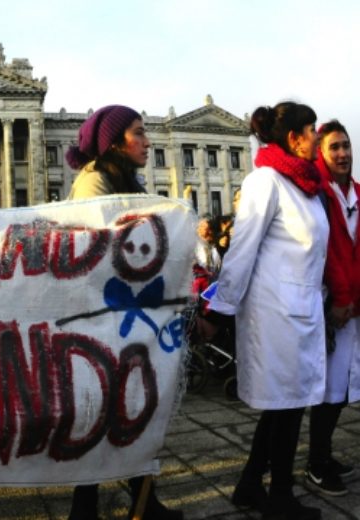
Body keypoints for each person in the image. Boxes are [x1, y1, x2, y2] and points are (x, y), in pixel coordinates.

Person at [199, 102, 326, 520]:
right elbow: (241, 251)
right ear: (294, 138)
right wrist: (217, 312)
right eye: (312, 129)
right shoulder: (265, 181)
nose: (316, 136)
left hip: (301, 309)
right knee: (287, 409)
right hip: (275, 314)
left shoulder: (305, 186)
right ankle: (281, 499)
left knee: (284, 406)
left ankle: (251, 484)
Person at [65, 105, 183, 520]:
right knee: (104, 413)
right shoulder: (94, 182)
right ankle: (90, 510)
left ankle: (141, 503)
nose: (148, 142)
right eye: (138, 133)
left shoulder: (124, 180)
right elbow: (98, 250)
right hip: (101, 316)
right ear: (114, 142)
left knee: (126, 410)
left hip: (120, 315)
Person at [304, 120, 358, 497]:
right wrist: (340, 298)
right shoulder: (318, 194)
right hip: (333, 305)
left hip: (355, 303)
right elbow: (326, 252)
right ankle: (316, 462)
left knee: (343, 387)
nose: (342, 153)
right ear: (321, 153)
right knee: (329, 389)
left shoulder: (357, 193)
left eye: (346, 146)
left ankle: (324, 456)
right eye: (334, 147)